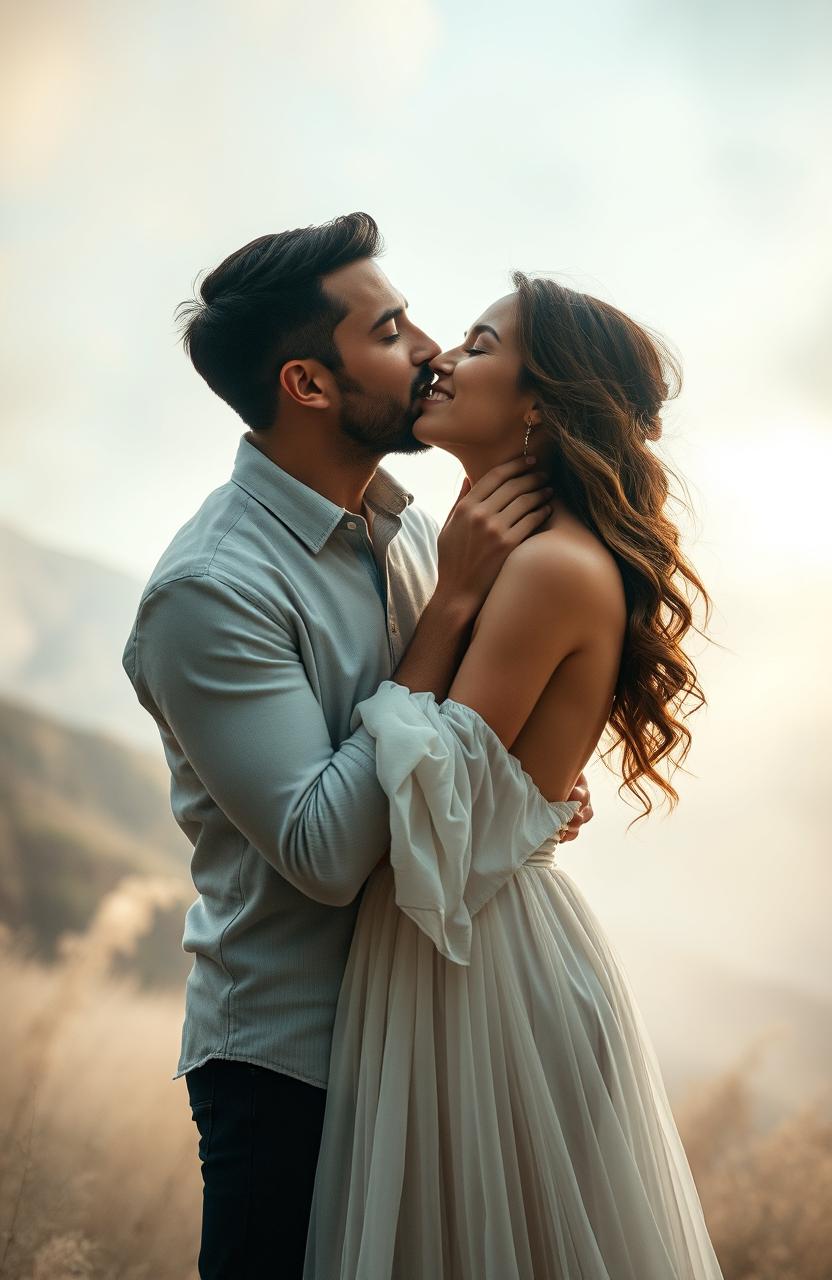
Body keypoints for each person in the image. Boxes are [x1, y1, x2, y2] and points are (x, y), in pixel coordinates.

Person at [120, 213, 593, 1280]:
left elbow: (447, 766)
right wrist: (454, 607)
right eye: (390, 329)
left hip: (432, 1035)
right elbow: (327, 853)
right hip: (297, 1065)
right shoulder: (210, 591)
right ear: (310, 385)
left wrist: (521, 792)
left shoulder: (410, 531)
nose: (429, 347)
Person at [302, 278, 724, 1278]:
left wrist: (449, 600)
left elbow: (429, 808)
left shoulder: (541, 569)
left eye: (482, 342)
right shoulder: (527, 555)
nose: (443, 354)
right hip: (469, 940)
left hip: (477, 965)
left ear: (539, 400)